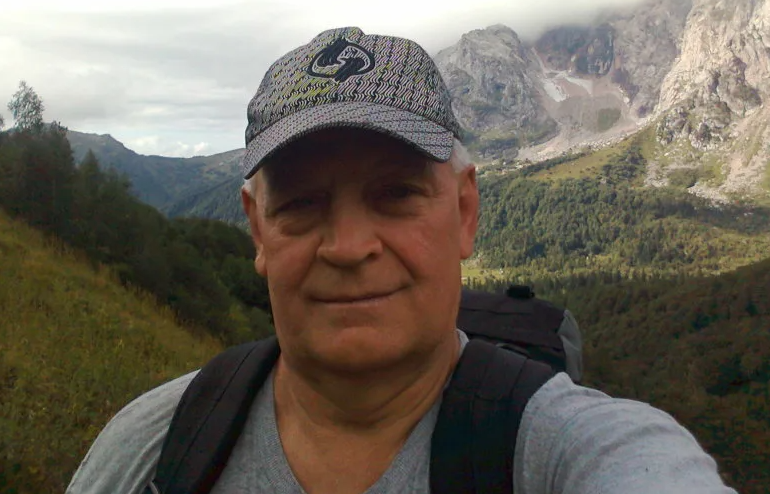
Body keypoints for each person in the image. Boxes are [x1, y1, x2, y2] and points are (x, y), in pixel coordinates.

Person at [66, 27, 736, 494]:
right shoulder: (157, 443)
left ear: (465, 211)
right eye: (301, 203)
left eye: (395, 194)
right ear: (258, 230)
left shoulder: (582, 451)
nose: (349, 246)